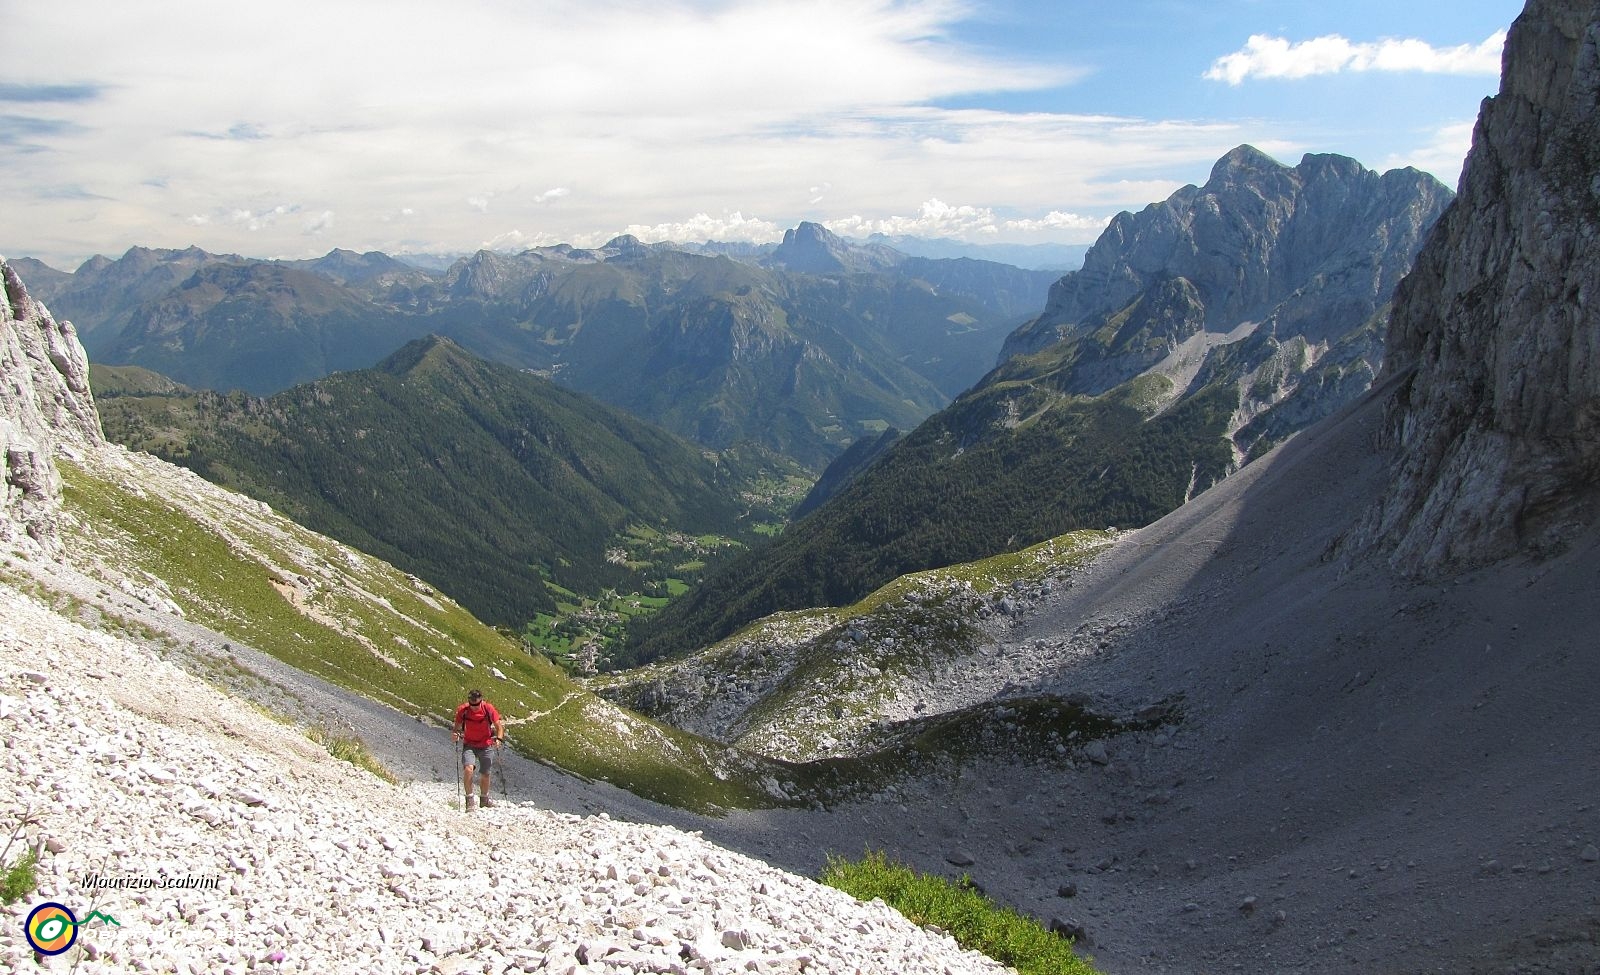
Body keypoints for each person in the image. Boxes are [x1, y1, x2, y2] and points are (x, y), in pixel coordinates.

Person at [451, 689, 504, 810]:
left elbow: (498, 727)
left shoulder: (488, 709)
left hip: (486, 744)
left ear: (481, 701)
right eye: (472, 704)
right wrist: (455, 734)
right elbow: (456, 728)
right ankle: (469, 800)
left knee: (485, 773)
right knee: (468, 769)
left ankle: (484, 799)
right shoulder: (463, 710)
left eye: (476, 704)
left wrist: (499, 739)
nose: (474, 707)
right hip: (469, 744)